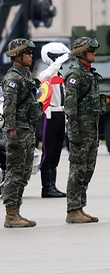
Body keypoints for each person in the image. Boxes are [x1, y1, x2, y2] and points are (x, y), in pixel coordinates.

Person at [63, 36, 104, 223]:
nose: (94, 53)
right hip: (80, 129)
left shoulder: (88, 73)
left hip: (91, 129)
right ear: (81, 53)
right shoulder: (75, 75)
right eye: (91, 50)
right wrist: (73, 131)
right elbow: (70, 106)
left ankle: (80, 206)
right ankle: (72, 209)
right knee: (77, 169)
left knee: (88, 169)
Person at [2, 38, 41, 228]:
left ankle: (16, 211)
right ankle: (10, 214)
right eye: (28, 53)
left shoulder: (25, 76)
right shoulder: (13, 78)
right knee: (15, 172)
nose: (31, 56)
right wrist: (12, 132)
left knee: (24, 172)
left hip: (27, 129)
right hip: (17, 131)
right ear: (17, 55)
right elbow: (8, 109)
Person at [37, 42, 71, 198]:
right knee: (48, 152)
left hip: (60, 115)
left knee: (56, 151)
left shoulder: (59, 75)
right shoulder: (46, 73)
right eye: (56, 56)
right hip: (49, 115)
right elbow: (46, 75)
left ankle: (53, 186)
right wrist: (60, 60)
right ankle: (46, 187)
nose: (60, 60)